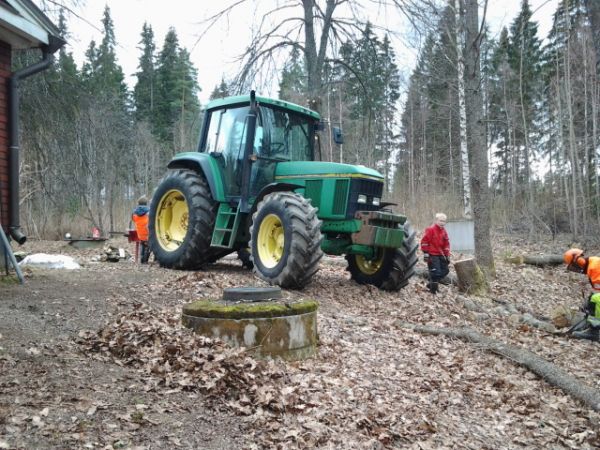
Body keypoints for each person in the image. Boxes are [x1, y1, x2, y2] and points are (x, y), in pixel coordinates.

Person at [564, 248, 600, 341]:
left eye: (573, 266)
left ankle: (594, 332)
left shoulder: (593, 267)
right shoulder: (592, 262)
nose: (575, 269)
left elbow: (597, 292)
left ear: (578, 260)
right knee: (593, 299)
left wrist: (589, 304)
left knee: (595, 300)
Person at [420, 213, 451, 294]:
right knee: (436, 272)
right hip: (432, 254)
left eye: (444, 221)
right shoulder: (431, 229)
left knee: (445, 270)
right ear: (436, 220)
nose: (442, 223)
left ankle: (431, 284)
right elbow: (424, 241)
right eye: (441, 221)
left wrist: (447, 255)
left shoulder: (444, 231)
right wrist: (426, 253)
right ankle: (433, 291)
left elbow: (446, 244)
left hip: (440, 254)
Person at [132, 195, 151, 264]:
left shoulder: (134, 213)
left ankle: (142, 261)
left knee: (142, 245)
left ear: (138, 203)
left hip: (140, 234)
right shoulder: (150, 212)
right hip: (148, 234)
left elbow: (134, 220)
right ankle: (145, 261)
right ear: (146, 203)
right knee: (148, 246)